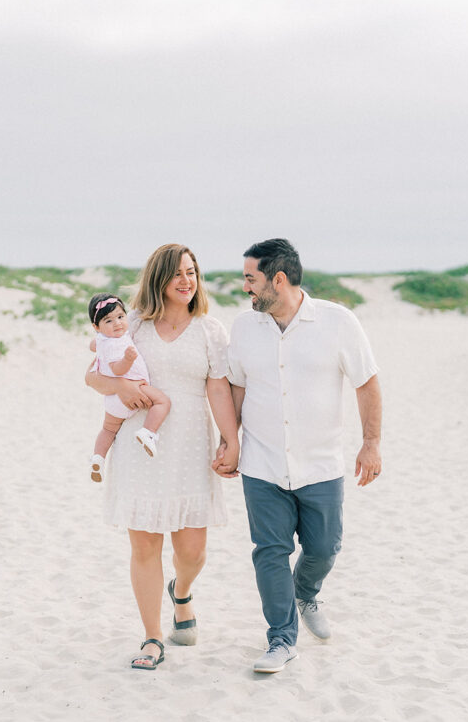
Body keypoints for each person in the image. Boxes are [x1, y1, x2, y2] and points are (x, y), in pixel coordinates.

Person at [215, 238, 382, 674]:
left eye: (251, 278)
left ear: (279, 279)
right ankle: (281, 639)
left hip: (321, 464)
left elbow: (366, 382)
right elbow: (236, 385)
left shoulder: (337, 321)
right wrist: (228, 441)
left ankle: (305, 591)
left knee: (324, 548)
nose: (245, 287)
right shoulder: (244, 327)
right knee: (269, 550)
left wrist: (371, 443)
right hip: (262, 462)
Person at [85, 243, 239, 670]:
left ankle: (183, 591)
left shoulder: (211, 331)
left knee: (192, 551)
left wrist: (231, 439)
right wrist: (120, 388)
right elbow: (92, 375)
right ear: (159, 279)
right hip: (140, 445)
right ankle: (152, 636)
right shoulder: (130, 324)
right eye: (177, 274)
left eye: (191, 272)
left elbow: (218, 389)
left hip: (191, 444)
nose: (186, 281)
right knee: (144, 546)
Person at [87, 293, 172, 483]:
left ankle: (98, 457)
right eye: (108, 320)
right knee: (162, 401)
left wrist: (98, 342)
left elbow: (93, 345)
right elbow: (117, 369)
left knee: (108, 429)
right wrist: (128, 359)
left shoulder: (103, 339)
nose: (117, 323)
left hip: (113, 399)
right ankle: (148, 432)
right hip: (134, 387)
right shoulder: (116, 345)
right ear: (96, 327)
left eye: (120, 317)